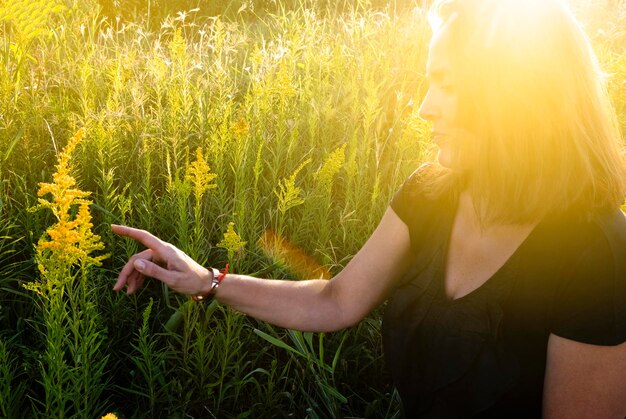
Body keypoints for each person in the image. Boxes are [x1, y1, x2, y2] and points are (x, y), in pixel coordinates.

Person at [112, 0, 626, 416]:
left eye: (447, 83)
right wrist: (208, 281)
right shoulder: (430, 193)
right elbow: (335, 300)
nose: (425, 106)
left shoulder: (596, 253)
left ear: (519, 94)